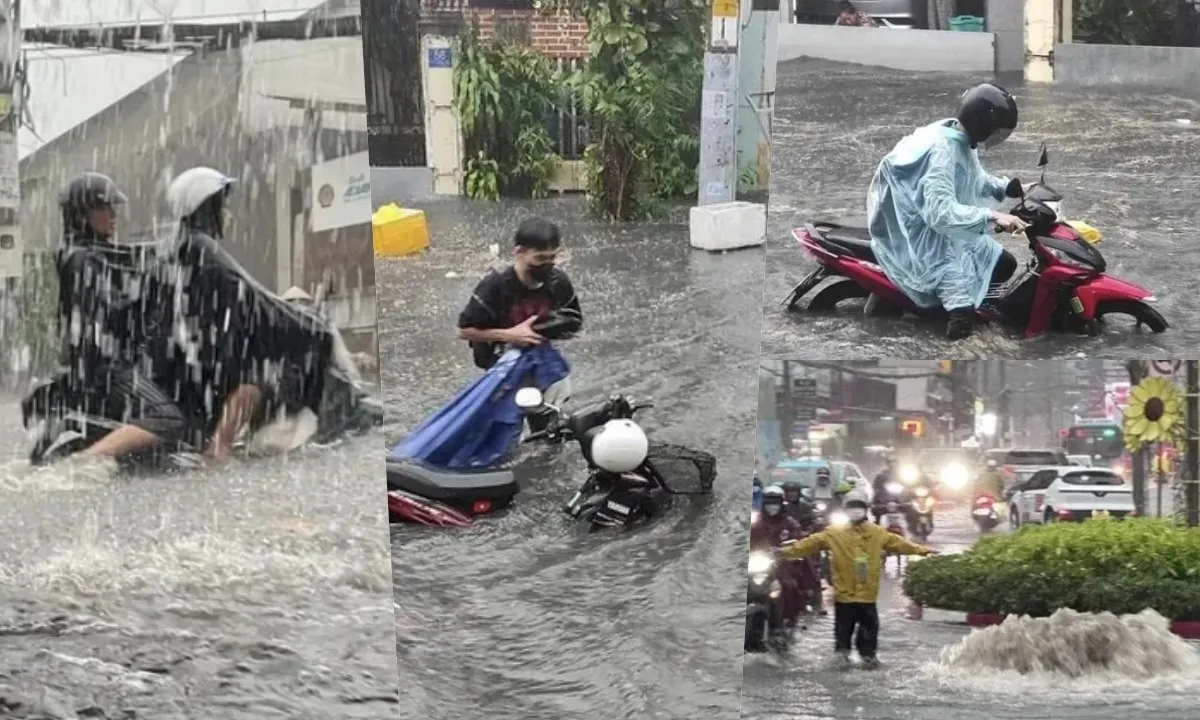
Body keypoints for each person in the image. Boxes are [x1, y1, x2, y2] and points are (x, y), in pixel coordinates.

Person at [157, 167, 335, 461]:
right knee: (257, 377)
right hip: (201, 353)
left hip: (191, 348)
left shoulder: (185, 244)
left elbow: (247, 294)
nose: (228, 213)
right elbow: (248, 293)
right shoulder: (201, 246)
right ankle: (220, 448)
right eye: (222, 205)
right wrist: (305, 323)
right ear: (207, 207)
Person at [866, 82, 1028, 340]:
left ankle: (986, 313)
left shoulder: (960, 137)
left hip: (947, 229)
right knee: (962, 314)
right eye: (996, 130)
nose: (998, 137)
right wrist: (994, 216)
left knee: (1004, 263)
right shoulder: (942, 151)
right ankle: (953, 365)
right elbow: (940, 213)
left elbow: (973, 178)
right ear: (982, 125)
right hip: (926, 238)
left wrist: (1007, 187)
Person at [51, 172, 187, 460]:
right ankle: (82, 462)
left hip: (112, 362)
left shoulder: (96, 253)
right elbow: (111, 298)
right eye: (104, 208)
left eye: (114, 207)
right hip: (104, 368)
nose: (113, 215)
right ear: (83, 214)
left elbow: (132, 258)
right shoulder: (80, 257)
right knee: (166, 420)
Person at [779, 489, 936, 666]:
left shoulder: (877, 533)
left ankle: (868, 660)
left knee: (869, 641)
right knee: (842, 639)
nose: (855, 510)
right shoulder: (833, 533)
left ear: (865, 509)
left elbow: (900, 544)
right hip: (844, 596)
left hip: (867, 596)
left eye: (859, 506)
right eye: (852, 506)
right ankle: (843, 662)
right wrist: (783, 553)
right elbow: (807, 544)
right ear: (846, 509)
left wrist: (923, 551)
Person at [458, 217, 583, 370]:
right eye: (540, 258)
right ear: (518, 252)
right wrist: (509, 335)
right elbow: (464, 331)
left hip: (542, 358)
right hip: (499, 364)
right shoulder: (494, 286)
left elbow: (573, 321)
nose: (547, 264)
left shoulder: (558, 282)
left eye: (552, 257)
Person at [749, 486, 814, 631]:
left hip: (782, 565)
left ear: (781, 503)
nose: (772, 506)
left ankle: (787, 620)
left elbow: (798, 544)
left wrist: (786, 552)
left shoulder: (790, 524)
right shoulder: (754, 523)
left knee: (788, 586)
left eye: (775, 502)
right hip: (756, 564)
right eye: (768, 502)